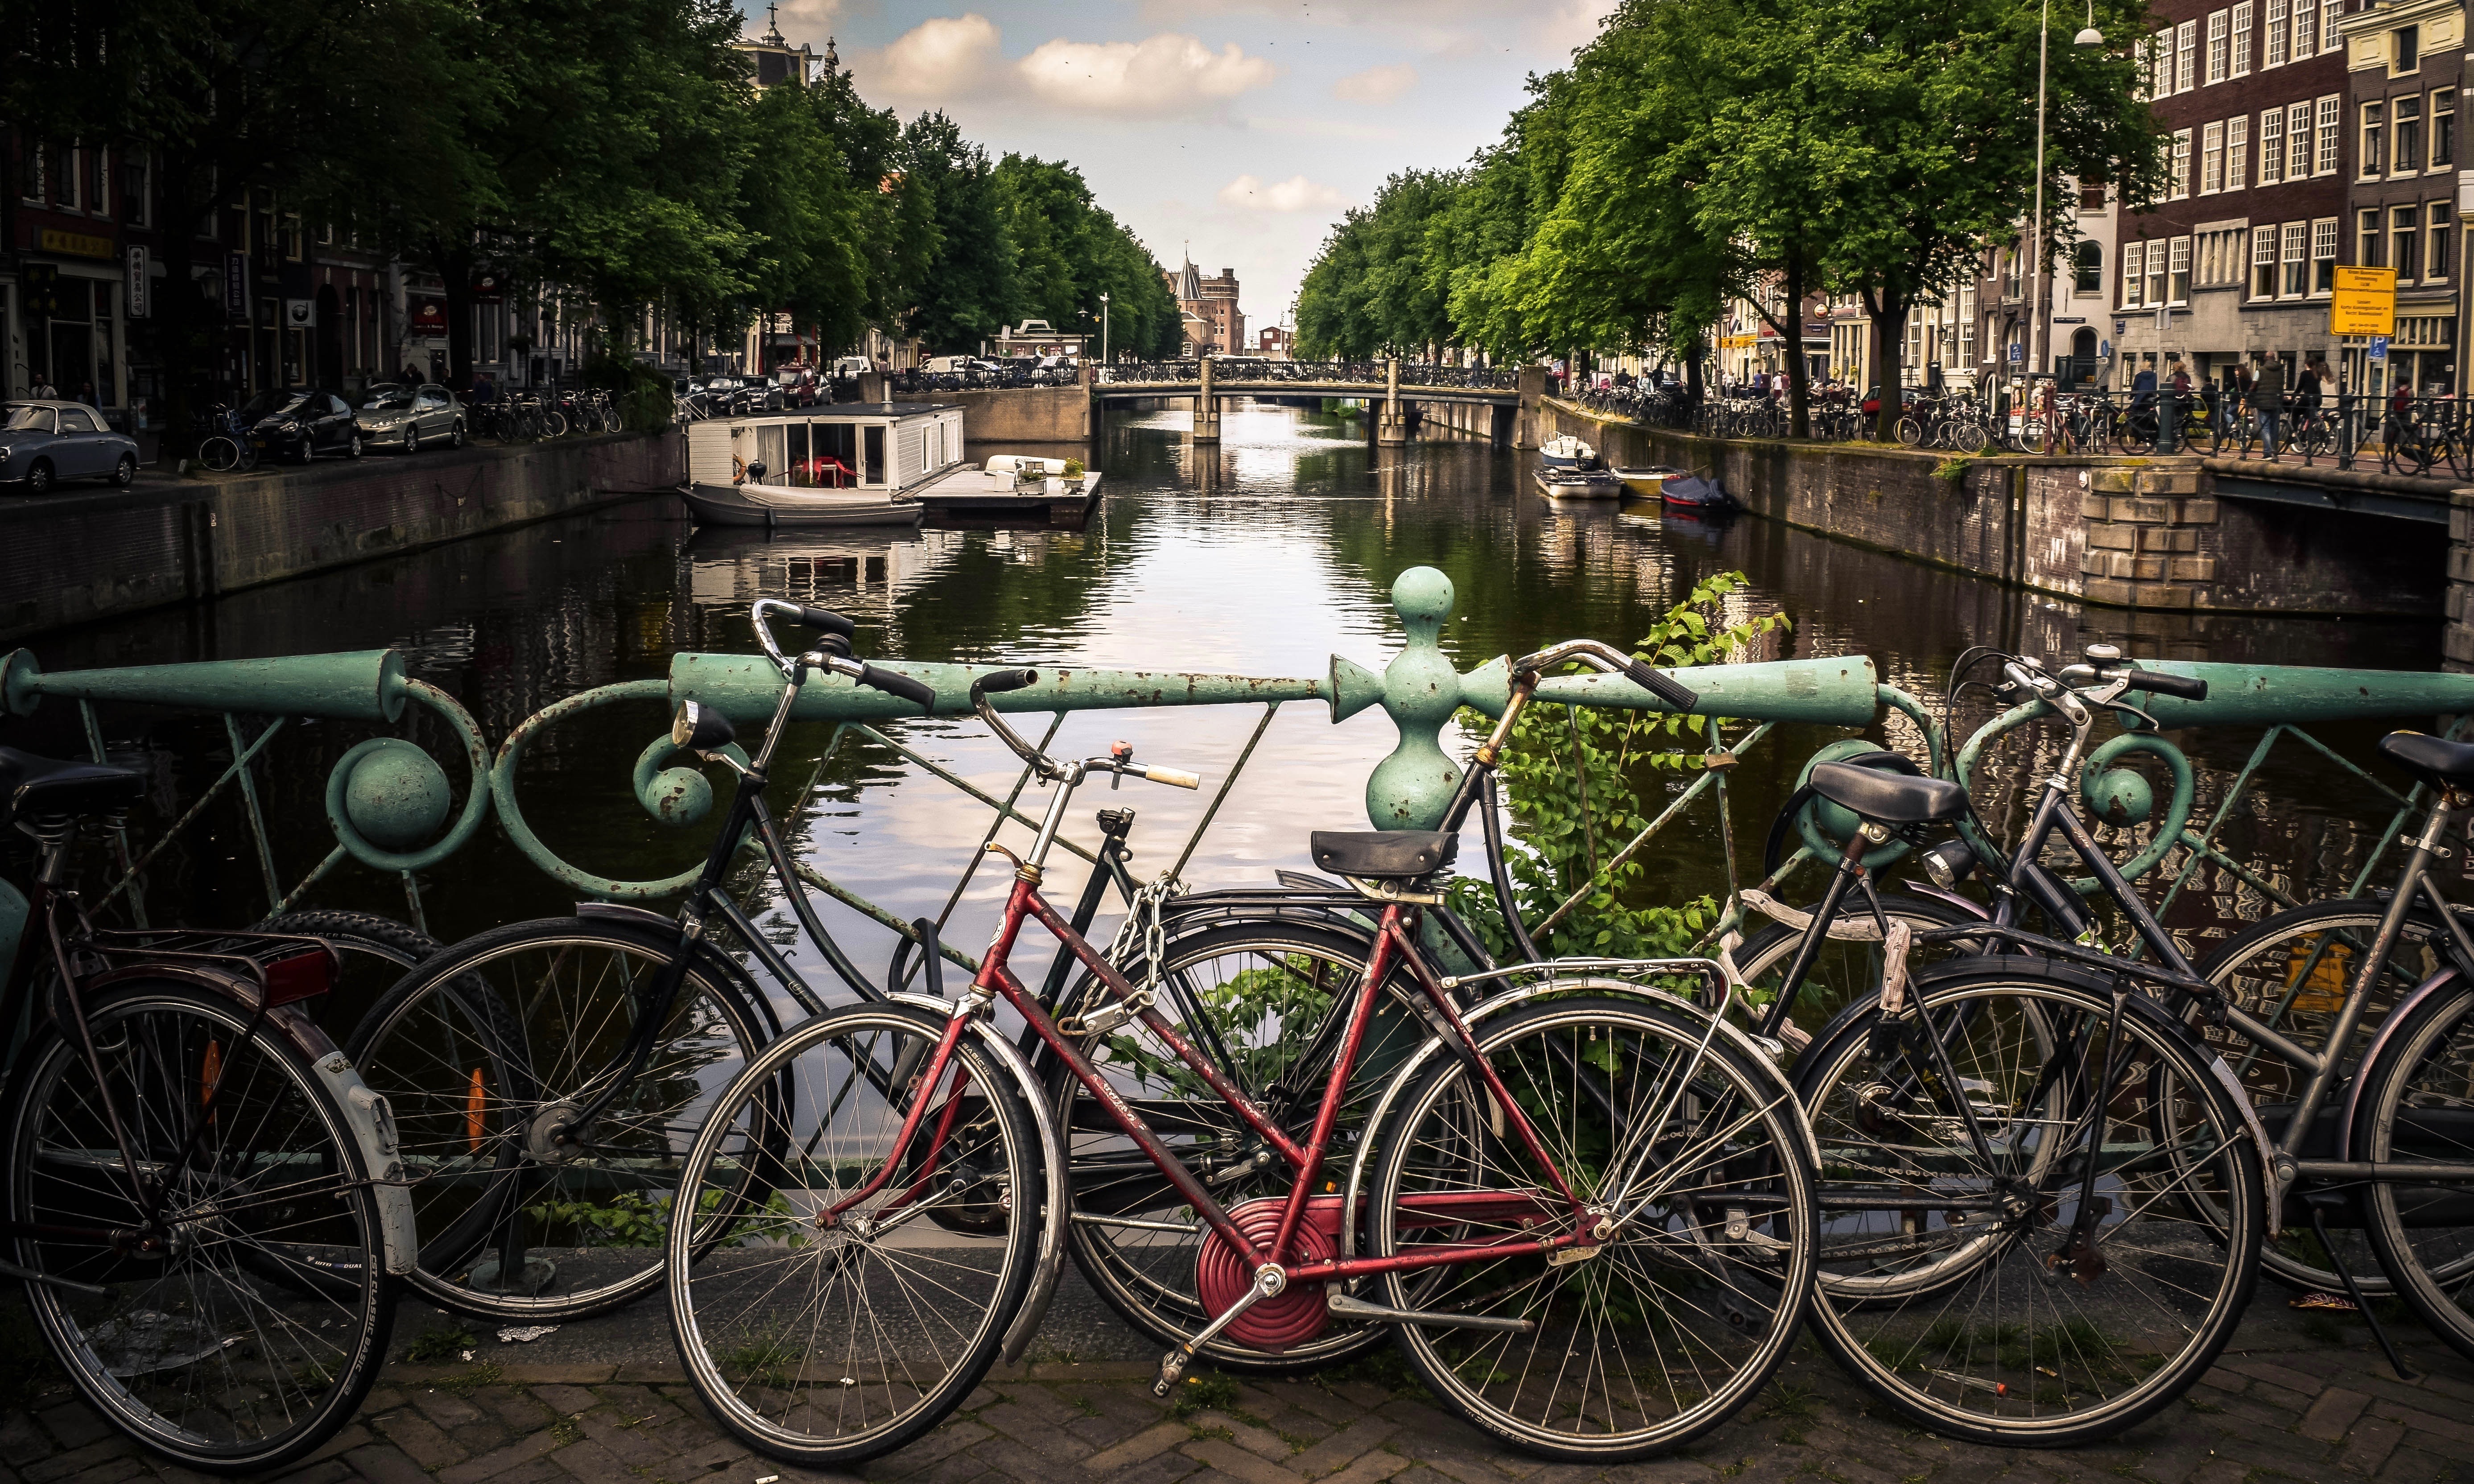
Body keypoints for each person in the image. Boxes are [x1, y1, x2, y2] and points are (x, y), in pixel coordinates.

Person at [2251, 355, 2286, 454]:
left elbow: (2254, 385)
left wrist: (2250, 395)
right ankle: (2275, 450)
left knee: (2265, 428)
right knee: (2274, 427)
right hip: (2276, 402)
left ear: (2265, 359)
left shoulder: (2260, 370)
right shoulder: (2281, 371)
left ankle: (2268, 452)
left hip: (2263, 403)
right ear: (2275, 359)